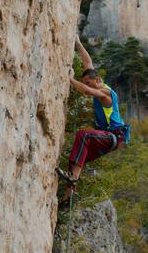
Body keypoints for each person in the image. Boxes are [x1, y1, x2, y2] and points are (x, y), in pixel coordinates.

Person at [56, 35, 126, 204]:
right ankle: (68, 197)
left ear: (97, 80)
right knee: (77, 157)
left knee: (84, 135)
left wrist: (70, 80)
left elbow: (88, 91)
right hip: (106, 136)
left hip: (113, 136)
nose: (87, 84)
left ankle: (73, 179)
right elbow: (88, 63)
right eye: (84, 82)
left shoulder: (106, 93)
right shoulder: (96, 81)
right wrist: (78, 43)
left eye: (89, 82)